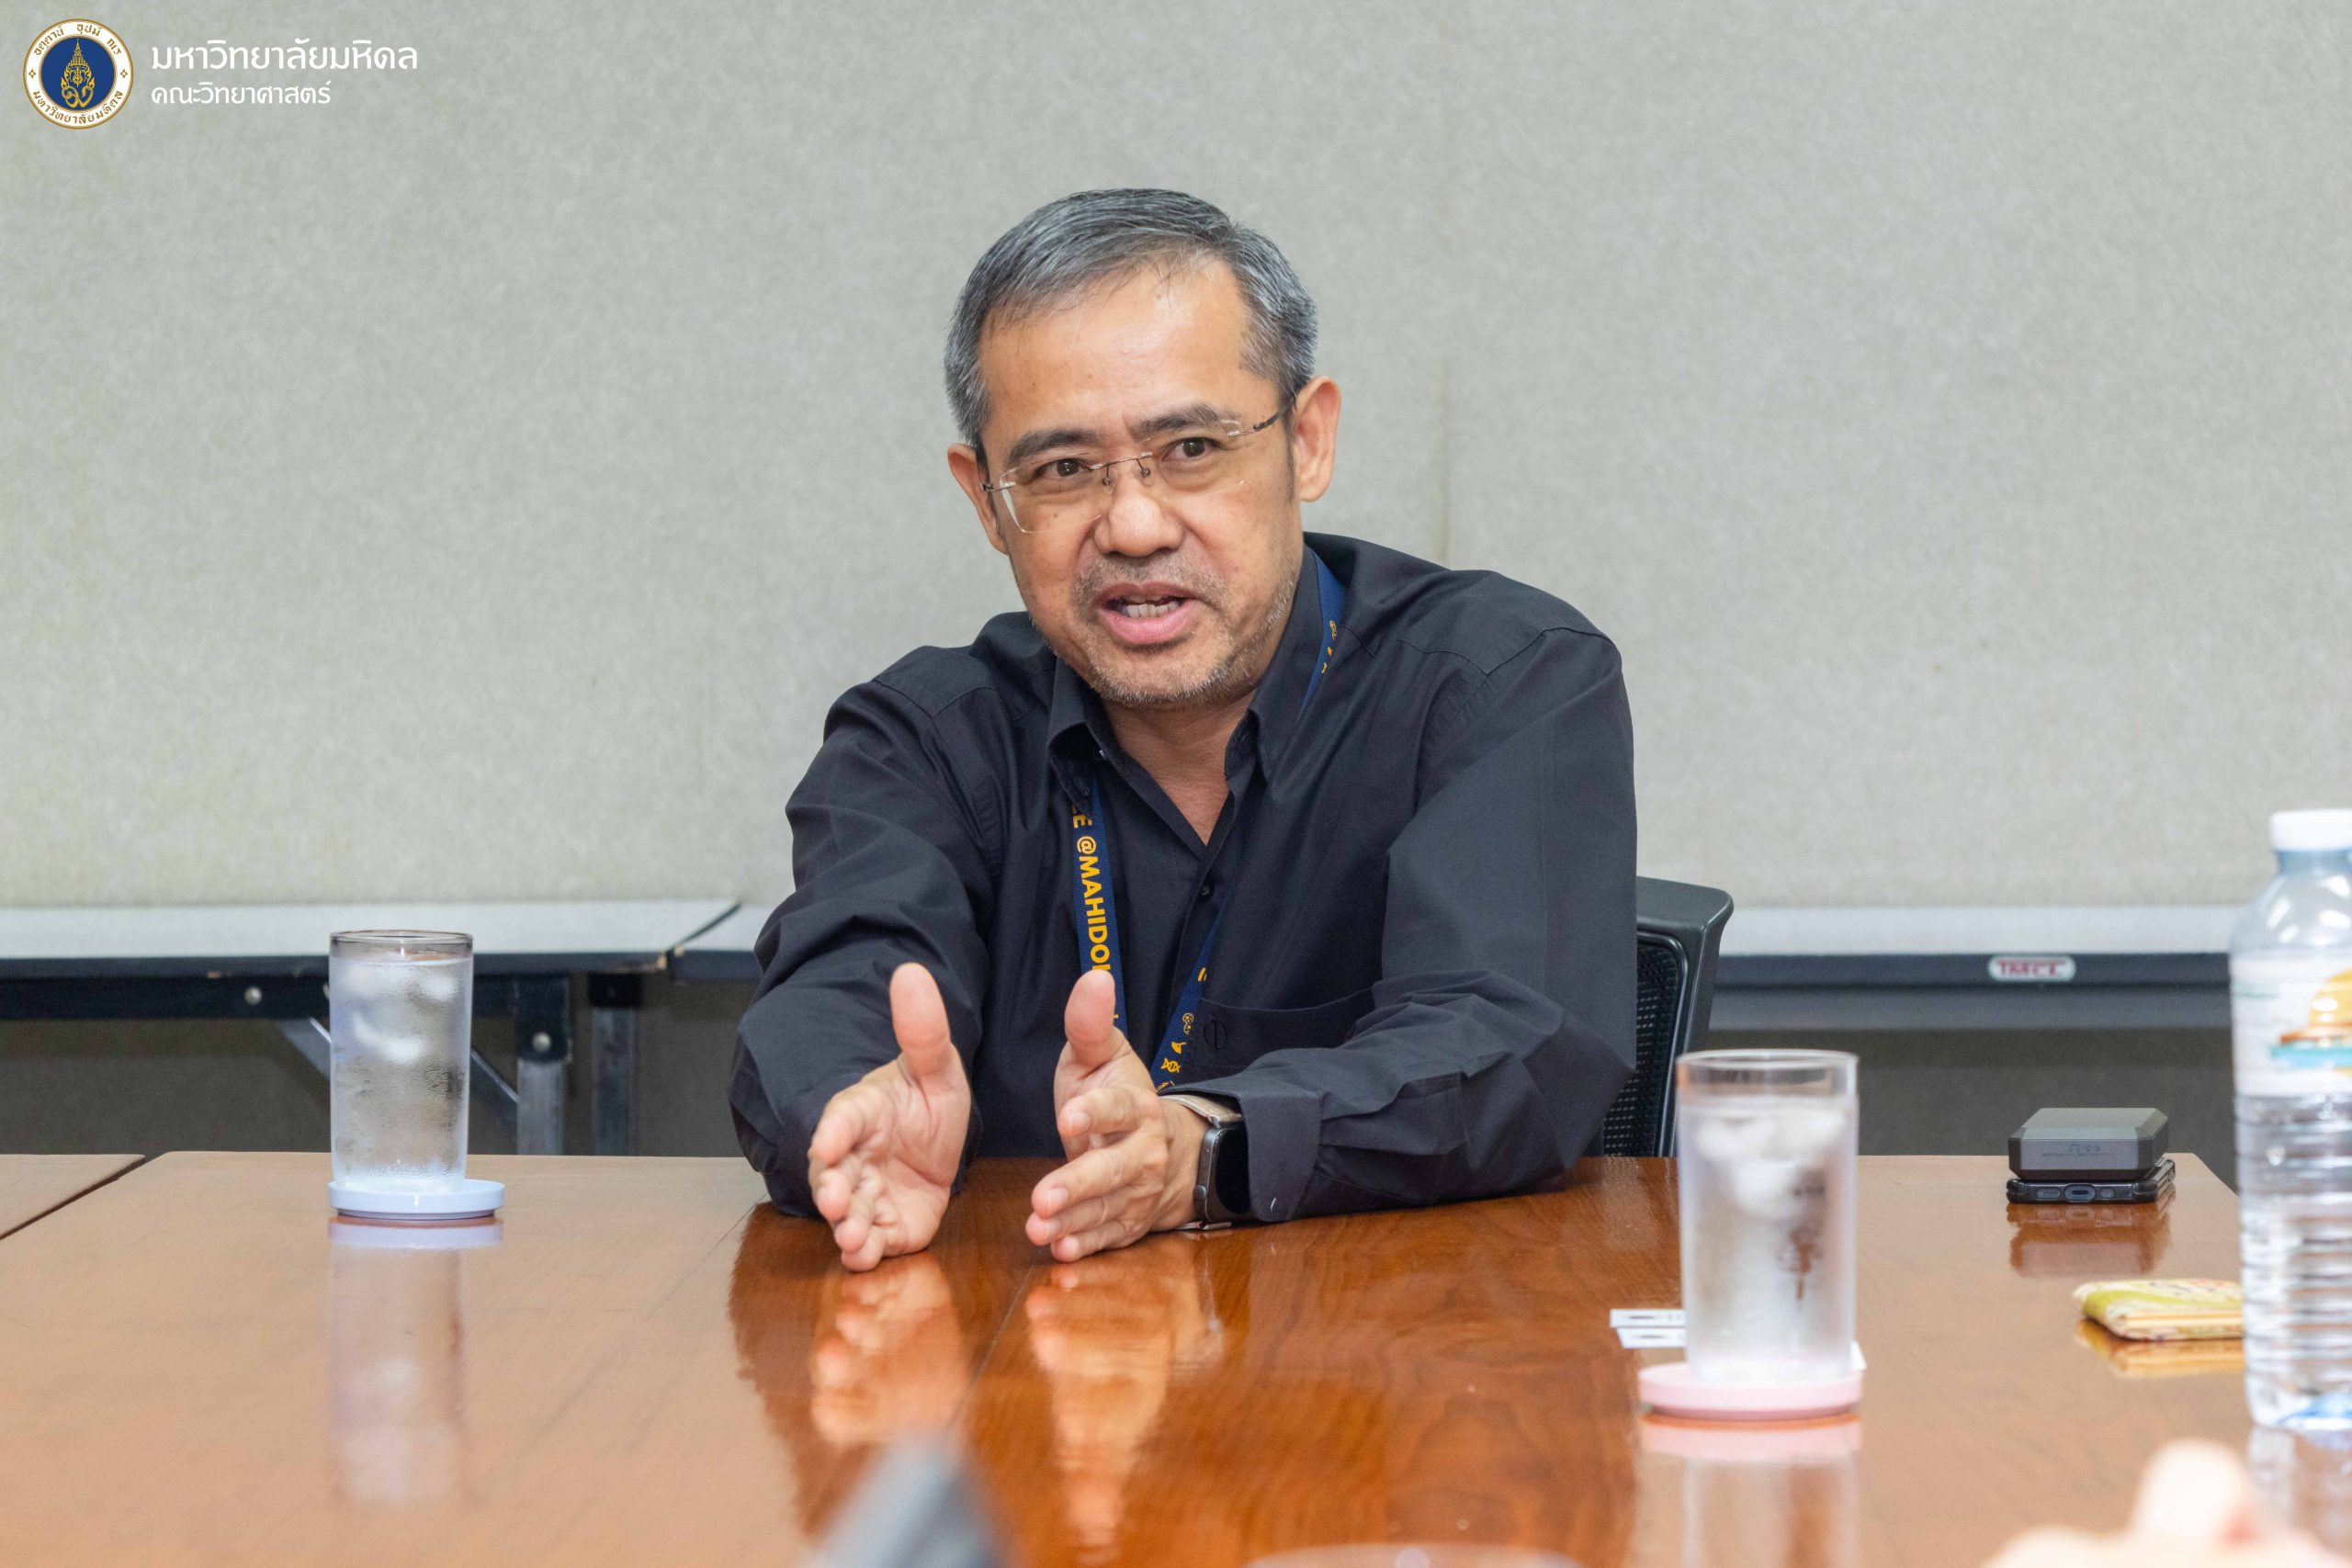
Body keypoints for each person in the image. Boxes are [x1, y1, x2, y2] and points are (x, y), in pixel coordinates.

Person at [729, 188, 1635, 1271]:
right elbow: (837, 987)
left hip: (1385, 1345)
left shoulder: (1495, 683)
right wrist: (847, 1106)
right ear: (987, 502)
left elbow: (1510, 1041)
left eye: (1192, 447)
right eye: (1062, 471)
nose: (1133, 525)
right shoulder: (923, 742)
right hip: (1021, 1338)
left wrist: (1205, 1146)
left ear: (1306, 441)